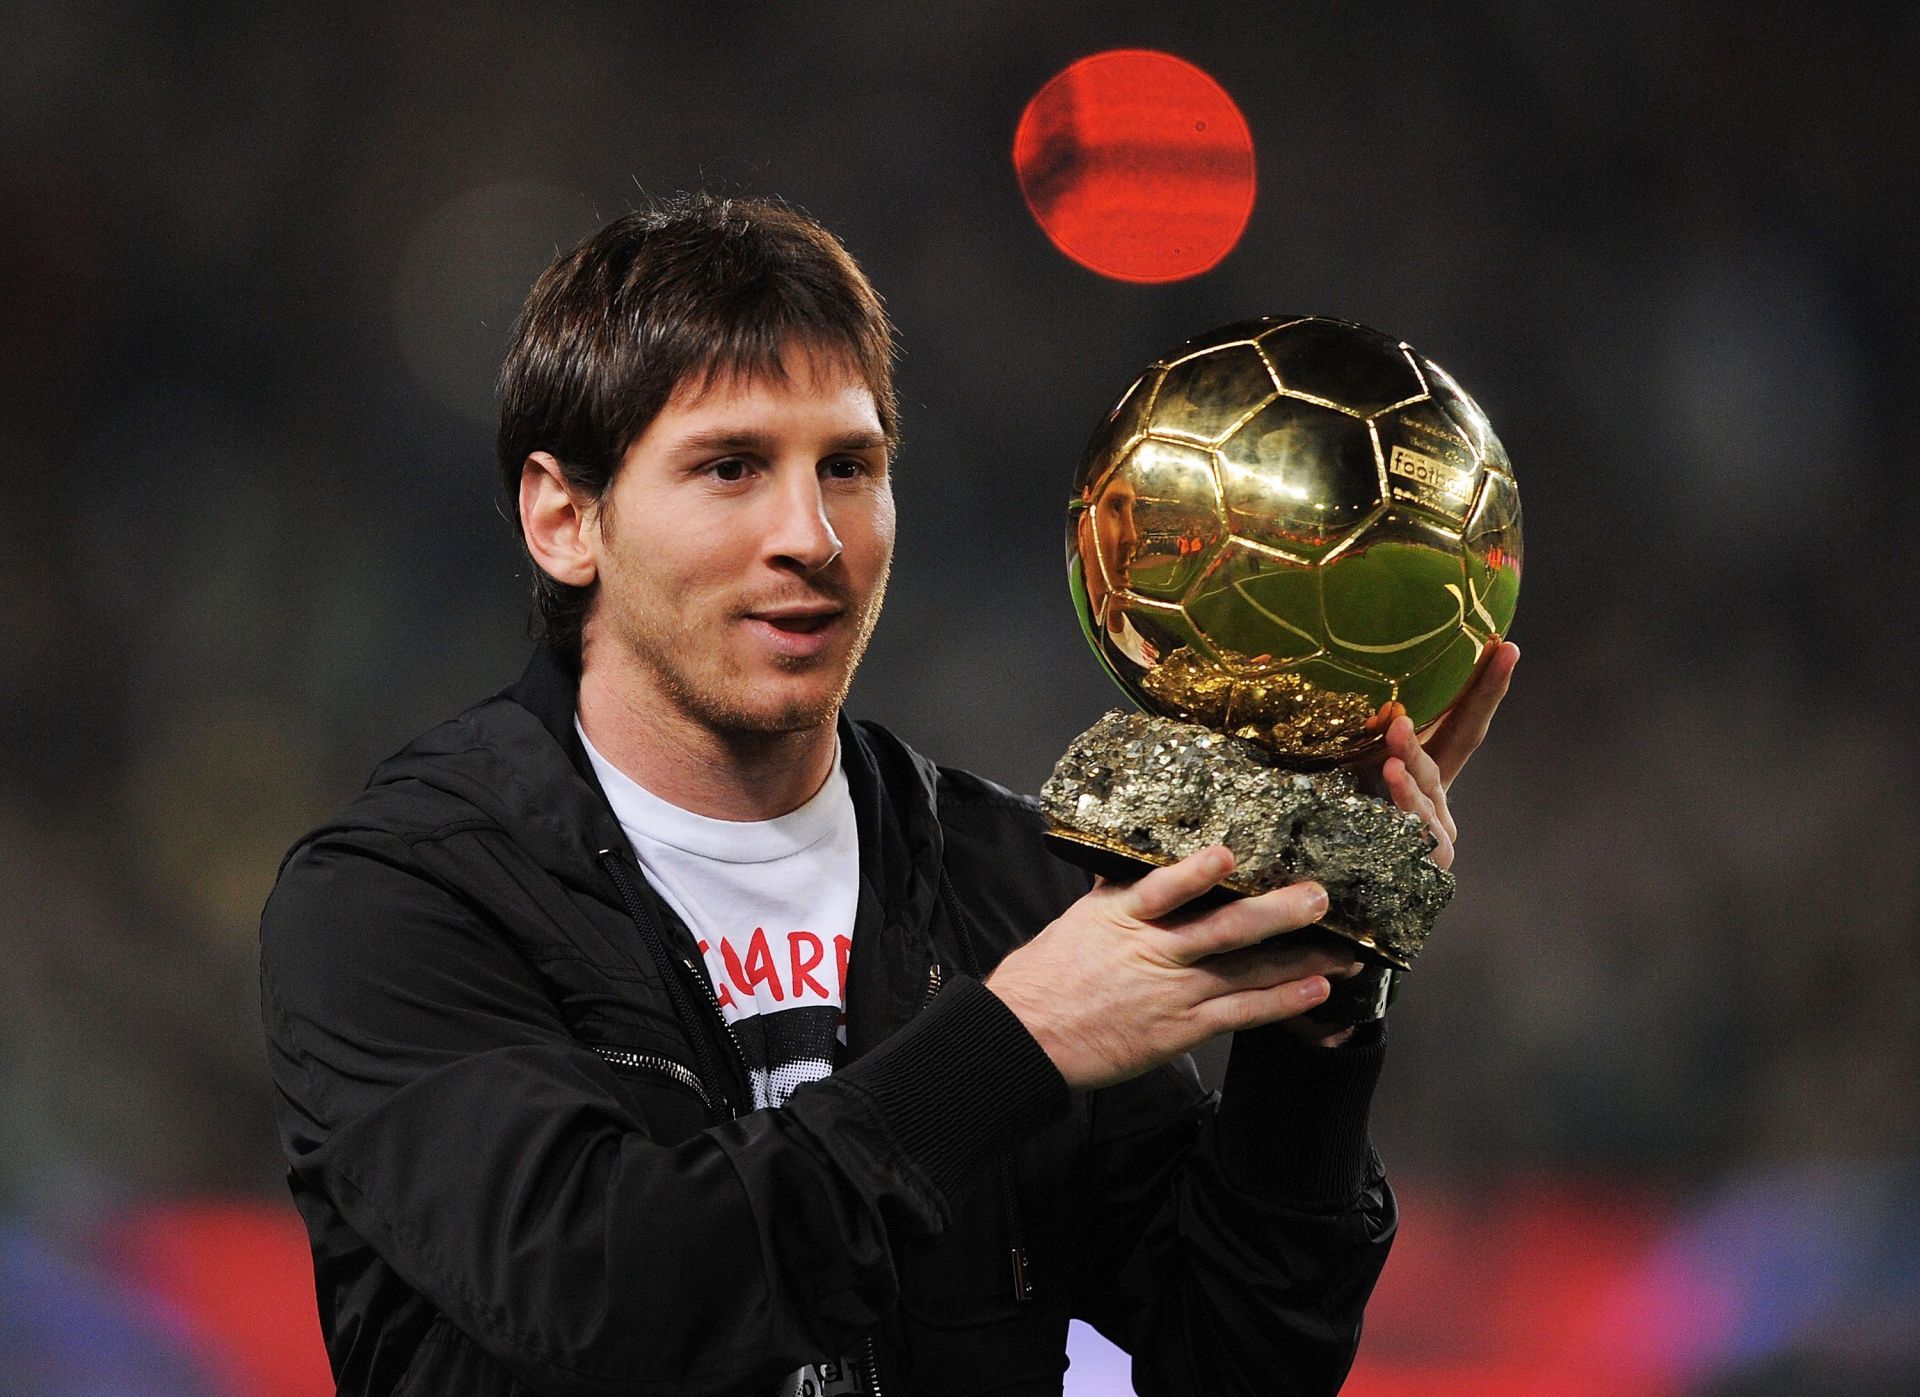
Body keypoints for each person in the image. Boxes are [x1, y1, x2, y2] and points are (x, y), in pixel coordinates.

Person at [259, 193, 1517, 1397]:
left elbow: (1242, 1354)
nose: (812, 533)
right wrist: (1008, 1044)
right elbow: (612, 1295)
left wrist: (1325, 985)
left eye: (851, 465)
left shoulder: (1012, 881)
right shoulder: (399, 900)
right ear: (564, 517)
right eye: (732, 467)